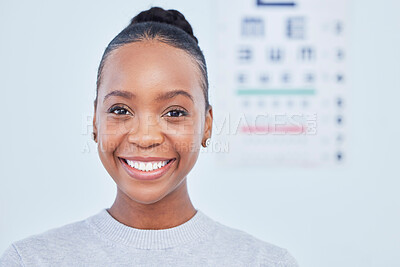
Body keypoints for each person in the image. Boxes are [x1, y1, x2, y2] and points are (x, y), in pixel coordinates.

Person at [0, 6, 298, 266]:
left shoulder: (264, 263)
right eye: (120, 109)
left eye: (175, 112)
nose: (145, 137)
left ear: (207, 124)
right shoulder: (31, 260)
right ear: (94, 120)